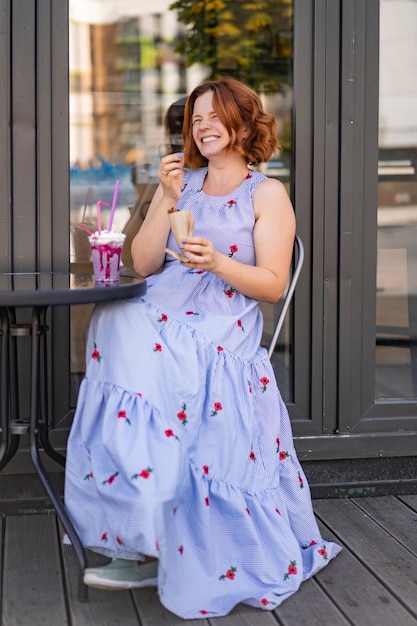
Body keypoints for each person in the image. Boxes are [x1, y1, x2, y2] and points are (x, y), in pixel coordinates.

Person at [64, 76, 341, 619]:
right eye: (195, 119)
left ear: (244, 124)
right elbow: (143, 265)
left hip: (219, 321)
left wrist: (217, 262)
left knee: (127, 331)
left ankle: (153, 534)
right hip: (162, 309)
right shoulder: (182, 185)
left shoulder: (266, 193)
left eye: (215, 116)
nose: (203, 126)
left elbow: (271, 284)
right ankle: (145, 525)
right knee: (115, 317)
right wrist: (165, 198)